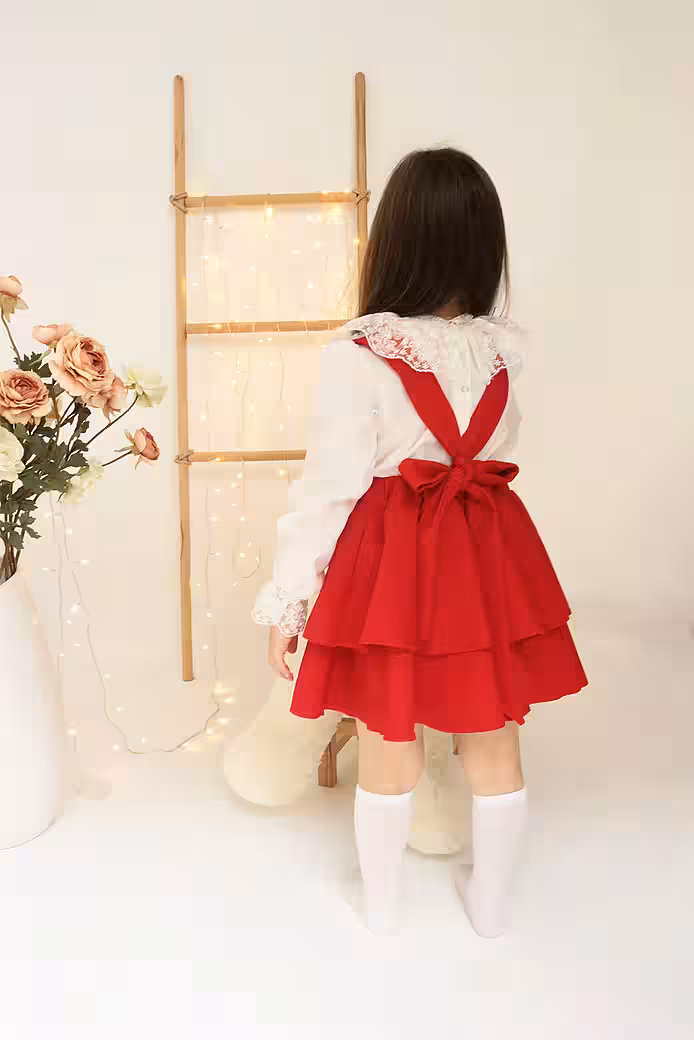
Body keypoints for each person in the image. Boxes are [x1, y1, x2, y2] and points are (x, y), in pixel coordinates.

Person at [252, 147, 587, 937]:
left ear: (395, 241)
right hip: (485, 553)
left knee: (388, 738)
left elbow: (329, 487)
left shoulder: (359, 354)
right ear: (485, 242)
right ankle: (492, 909)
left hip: (392, 562)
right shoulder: (502, 351)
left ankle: (381, 910)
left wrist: (290, 600)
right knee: (493, 740)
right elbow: (500, 445)